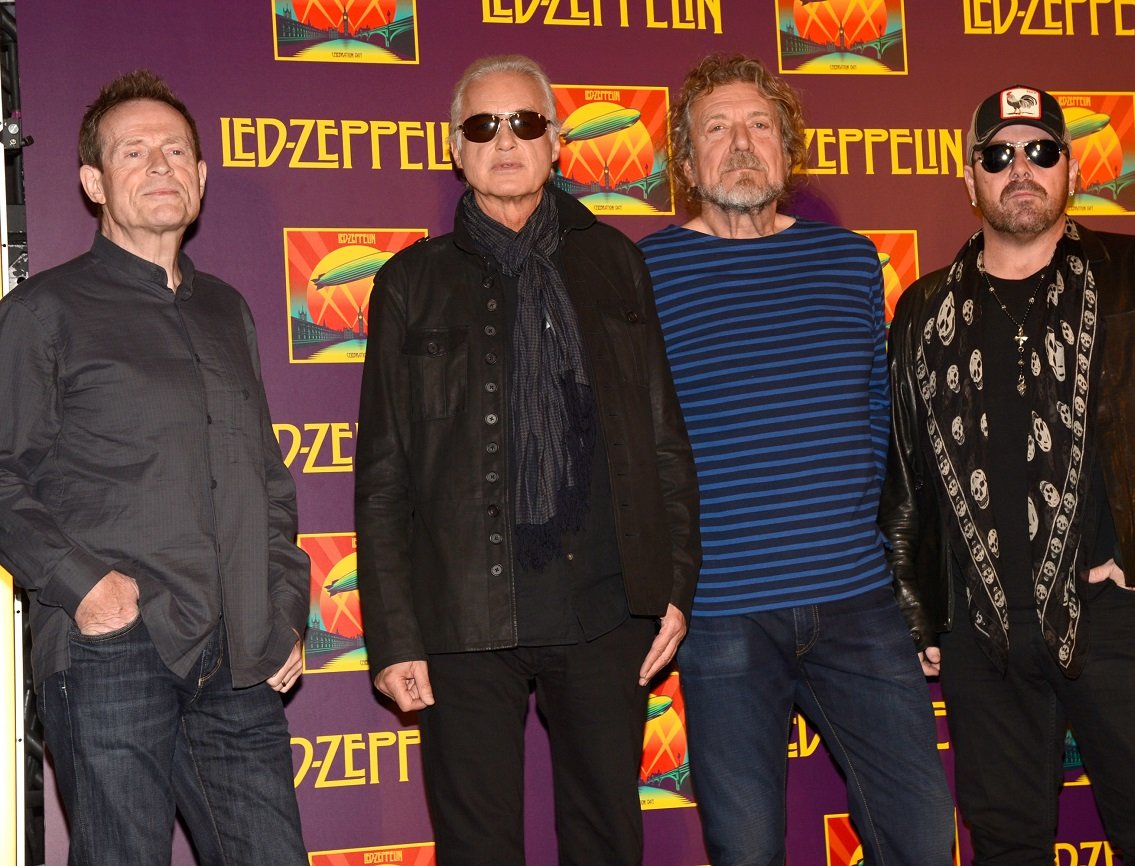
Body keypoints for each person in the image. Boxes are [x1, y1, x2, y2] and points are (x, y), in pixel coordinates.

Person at [354, 54, 699, 866]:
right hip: (462, 619)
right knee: (477, 851)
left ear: (555, 144)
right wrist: (395, 634)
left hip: (605, 609)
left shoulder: (616, 261)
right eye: (483, 126)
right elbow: (383, 475)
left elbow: (661, 437)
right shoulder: (410, 283)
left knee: (609, 841)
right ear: (456, 148)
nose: (505, 141)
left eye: (525, 124)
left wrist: (674, 586)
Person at [882, 85, 1135, 865]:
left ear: (1071, 167)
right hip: (981, 629)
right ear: (969, 178)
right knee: (1005, 847)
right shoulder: (924, 311)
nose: (1021, 169)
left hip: (1117, 612)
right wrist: (918, 609)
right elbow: (907, 479)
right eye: (999, 155)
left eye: (1040, 150)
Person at [638, 53, 953, 866]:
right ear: (684, 160)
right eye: (717, 127)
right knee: (745, 852)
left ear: (789, 150)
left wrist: (911, 588)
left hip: (859, 604)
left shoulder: (850, 261)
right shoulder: (646, 272)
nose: (741, 144)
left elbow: (886, 435)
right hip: (721, 613)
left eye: (760, 126)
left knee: (921, 839)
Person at [0, 70, 309, 863]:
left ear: (203, 178)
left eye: (176, 151)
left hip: (239, 655)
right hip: (114, 649)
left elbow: (266, 481)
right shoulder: (43, 311)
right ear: (93, 183)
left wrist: (280, 603)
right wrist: (81, 586)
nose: (161, 166)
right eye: (134, 152)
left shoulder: (228, 309)